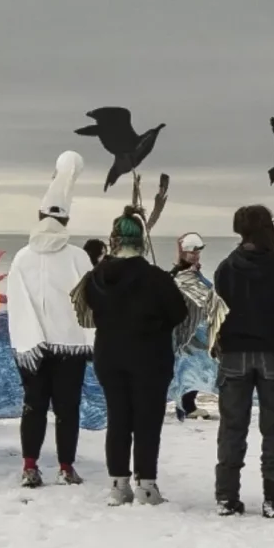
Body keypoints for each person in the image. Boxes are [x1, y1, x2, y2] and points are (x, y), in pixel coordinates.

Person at [81, 209, 189, 505]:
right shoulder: (155, 277)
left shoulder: (95, 277)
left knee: (118, 418)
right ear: (141, 240)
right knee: (147, 420)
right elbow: (179, 313)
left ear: (114, 240)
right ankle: (146, 485)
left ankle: (118, 485)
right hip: (149, 356)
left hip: (108, 354)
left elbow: (90, 308)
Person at [2, 153, 93, 488]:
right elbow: (91, 304)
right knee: (68, 409)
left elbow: (17, 305)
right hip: (71, 346)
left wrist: (29, 337)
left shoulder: (23, 257)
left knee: (34, 406)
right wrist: (92, 339)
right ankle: (66, 467)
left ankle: (30, 466)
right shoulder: (79, 257)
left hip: (32, 346)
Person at [212, 205, 274, 518]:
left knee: (231, 429)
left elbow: (217, 317)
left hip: (234, 356)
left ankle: (227, 497)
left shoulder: (225, 268)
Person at [171, 233, 216, 421]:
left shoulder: (194, 273)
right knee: (188, 366)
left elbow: (209, 293)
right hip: (186, 328)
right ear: (183, 253)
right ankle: (185, 405)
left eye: (197, 252)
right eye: (192, 252)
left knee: (196, 366)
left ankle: (186, 403)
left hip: (198, 327)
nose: (195, 255)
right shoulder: (179, 275)